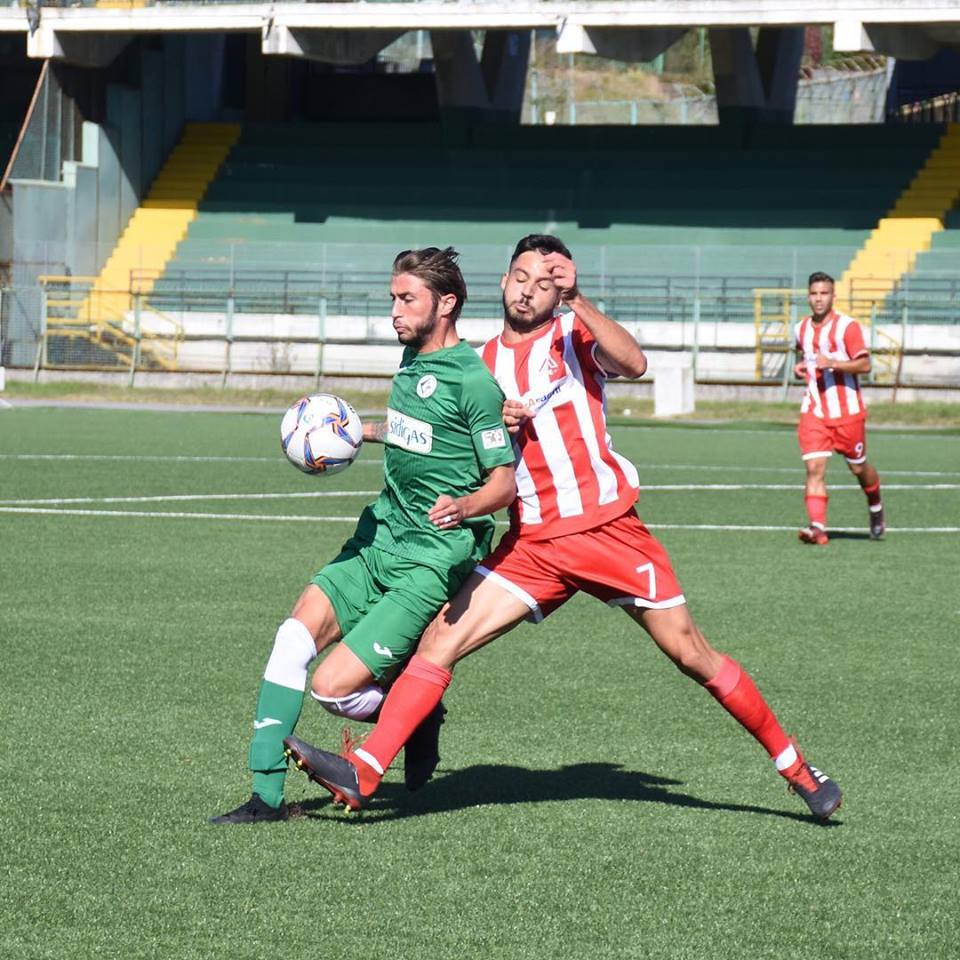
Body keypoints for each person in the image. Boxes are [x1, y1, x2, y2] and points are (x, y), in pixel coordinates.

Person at [283, 235, 843, 822]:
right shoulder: (478, 366)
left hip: (608, 531)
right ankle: (365, 771)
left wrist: (579, 300)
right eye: (521, 277)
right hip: (533, 544)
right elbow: (456, 440)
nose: (529, 290)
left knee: (692, 655)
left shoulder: (572, 337)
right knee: (439, 643)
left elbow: (635, 363)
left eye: (545, 283)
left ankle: (798, 769)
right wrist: (374, 431)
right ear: (502, 282)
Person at [211, 247, 516, 824]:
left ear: (446, 303)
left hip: (430, 558)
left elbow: (503, 482)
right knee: (291, 638)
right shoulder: (410, 357)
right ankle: (265, 797)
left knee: (333, 691)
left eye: (408, 299)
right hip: (378, 538)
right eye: (393, 299)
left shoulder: (474, 381)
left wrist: (467, 504)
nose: (395, 311)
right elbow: (413, 432)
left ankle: (417, 712)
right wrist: (349, 432)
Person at [795, 272, 885, 546]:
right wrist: (803, 367)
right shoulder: (800, 328)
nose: (818, 299)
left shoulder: (848, 327)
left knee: (859, 469)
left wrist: (832, 363)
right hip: (815, 409)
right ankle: (817, 528)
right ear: (808, 296)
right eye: (814, 293)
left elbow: (865, 365)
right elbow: (808, 358)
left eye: (824, 293)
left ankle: (875, 505)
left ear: (833, 296)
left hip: (847, 413)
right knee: (814, 468)